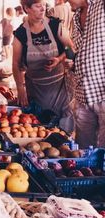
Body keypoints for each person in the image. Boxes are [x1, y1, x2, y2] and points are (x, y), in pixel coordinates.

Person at [12, 0, 74, 132]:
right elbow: (16, 63)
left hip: (60, 89)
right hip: (36, 90)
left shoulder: (55, 25)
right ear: (26, 8)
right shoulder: (20, 34)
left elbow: (71, 48)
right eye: (38, 6)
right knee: (39, 128)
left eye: (44, 5)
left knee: (63, 129)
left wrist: (59, 59)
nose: (43, 9)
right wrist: (20, 88)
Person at [64, 0, 105, 147]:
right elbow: (80, 52)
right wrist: (73, 63)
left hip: (102, 92)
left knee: (103, 150)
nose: (67, 2)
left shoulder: (100, 6)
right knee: (83, 148)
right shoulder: (75, 18)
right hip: (83, 94)